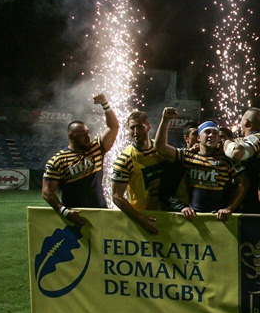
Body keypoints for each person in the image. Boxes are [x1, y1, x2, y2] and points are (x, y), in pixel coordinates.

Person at [154, 108, 248, 222]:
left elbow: (244, 183)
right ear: (198, 137)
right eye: (207, 132)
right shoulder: (189, 155)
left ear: (219, 138)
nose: (211, 135)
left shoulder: (226, 159)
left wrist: (229, 208)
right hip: (194, 218)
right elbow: (160, 148)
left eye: (215, 133)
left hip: (218, 219)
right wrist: (165, 120)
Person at [42, 93, 119, 226]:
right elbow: (47, 192)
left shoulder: (96, 148)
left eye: (87, 132)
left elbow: (113, 127)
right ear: (71, 136)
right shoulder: (58, 160)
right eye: (82, 134)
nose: (87, 137)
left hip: (101, 212)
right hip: (75, 216)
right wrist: (65, 212)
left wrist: (105, 104)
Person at [112, 110, 168, 235]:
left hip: (167, 215)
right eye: (132, 128)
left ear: (148, 127)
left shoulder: (161, 150)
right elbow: (116, 196)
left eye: (139, 127)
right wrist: (141, 220)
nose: (136, 132)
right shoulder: (125, 159)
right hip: (143, 219)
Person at [221, 107, 260, 213]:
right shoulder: (251, 139)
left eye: (241, 121)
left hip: (251, 203)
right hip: (247, 201)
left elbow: (236, 153)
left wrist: (227, 143)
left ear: (246, 122)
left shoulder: (258, 138)